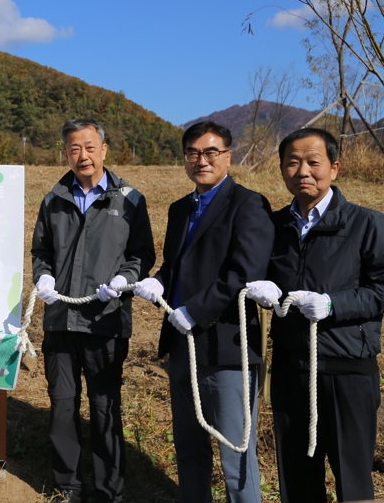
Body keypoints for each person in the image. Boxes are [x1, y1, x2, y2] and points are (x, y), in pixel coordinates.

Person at [247, 128, 384, 503]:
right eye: (292, 162)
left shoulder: (367, 223)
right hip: (290, 370)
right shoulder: (272, 227)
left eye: (313, 162)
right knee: (296, 477)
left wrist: (334, 304)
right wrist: (262, 289)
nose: (302, 170)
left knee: (352, 477)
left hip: (348, 371)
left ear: (334, 168)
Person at [131, 121, 273, 503]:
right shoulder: (180, 209)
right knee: (189, 451)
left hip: (226, 350)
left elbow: (244, 273)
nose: (202, 160)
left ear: (229, 156)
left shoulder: (248, 204)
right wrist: (159, 280)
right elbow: (176, 265)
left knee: (235, 456)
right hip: (182, 348)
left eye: (211, 153)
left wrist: (195, 311)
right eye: (193, 153)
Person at [30, 118, 156, 503]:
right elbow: (41, 252)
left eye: (89, 147)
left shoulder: (130, 199)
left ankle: (108, 490)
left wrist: (124, 278)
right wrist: (44, 278)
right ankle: (67, 484)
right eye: (73, 148)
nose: (82, 155)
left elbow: (141, 254)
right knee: (63, 406)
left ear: (103, 150)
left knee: (105, 407)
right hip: (61, 321)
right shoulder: (54, 199)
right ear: (65, 152)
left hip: (106, 320)